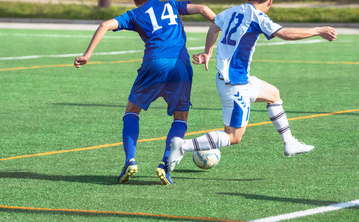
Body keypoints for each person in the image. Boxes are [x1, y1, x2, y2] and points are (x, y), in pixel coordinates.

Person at [167, 0, 337, 172]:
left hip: (237, 79)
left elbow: (214, 26)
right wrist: (318, 30)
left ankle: (289, 142)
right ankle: (183, 146)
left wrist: (208, 52)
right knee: (233, 136)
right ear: (269, 2)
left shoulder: (233, 10)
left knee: (273, 94)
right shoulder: (257, 17)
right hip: (235, 84)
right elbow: (285, 33)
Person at [74, 0, 215, 185]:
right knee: (180, 117)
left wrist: (87, 55)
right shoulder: (171, 4)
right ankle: (165, 164)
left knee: (132, 112)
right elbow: (204, 9)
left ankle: (130, 160)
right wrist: (219, 26)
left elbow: (105, 25)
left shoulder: (135, 14)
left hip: (154, 62)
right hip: (180, 64)